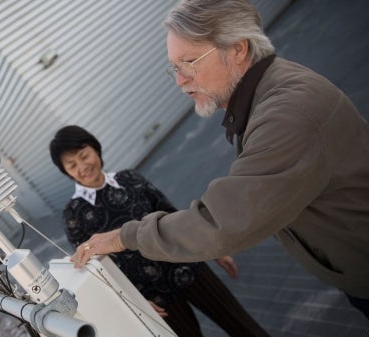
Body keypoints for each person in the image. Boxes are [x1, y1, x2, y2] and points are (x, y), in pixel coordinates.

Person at [70, 0, 369, 320]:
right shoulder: (268, 95)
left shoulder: (288, 113)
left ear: (238, 49)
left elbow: (221, 224)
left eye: (188, 61)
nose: (179, 80)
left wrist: (122, 237)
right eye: (174, 66)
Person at [49, 125, 269, 337]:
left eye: (84, 155)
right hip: (154, 298)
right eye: (71, 164)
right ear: (66, 172)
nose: (82, 166)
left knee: (242, 325)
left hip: (188, 266)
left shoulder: (130, 178)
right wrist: (135, 302)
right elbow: (94, 270)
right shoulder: (73, 215)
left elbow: (170, 213)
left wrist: (214, 249)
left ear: (95, 149)